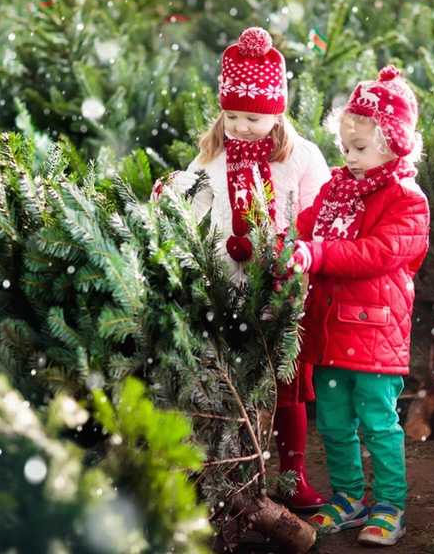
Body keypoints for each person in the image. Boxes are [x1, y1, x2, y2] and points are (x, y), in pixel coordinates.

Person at [153, 27, 330, 511]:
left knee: (287, 389)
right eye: (232, 115)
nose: (241, 126)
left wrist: (291, 251)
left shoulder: (301, 158)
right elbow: (192, 199)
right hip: (227, 290)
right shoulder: (213, 155)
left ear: (277, 111)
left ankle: (292, 476)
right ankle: (235, 475)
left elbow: (319, 214)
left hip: (281, 289)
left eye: (252, 117)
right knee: (233, 386)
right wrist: (173, 191)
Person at [288, 65, 430, 545]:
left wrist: (320, 253)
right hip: (329, 331)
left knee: (377, 422)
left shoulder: (406, 200)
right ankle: (348, 497)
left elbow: (378, 253)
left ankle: (390, 503)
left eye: (361, 148)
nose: (348, 157)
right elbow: (305, 227)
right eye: (345, 147)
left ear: (393, 144)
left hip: (374, 333)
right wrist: (284, 245)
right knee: (331, 421)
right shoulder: (335, 190)